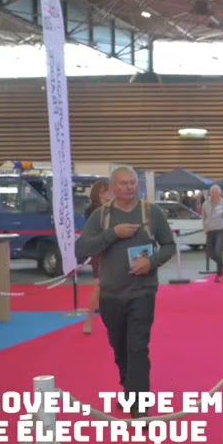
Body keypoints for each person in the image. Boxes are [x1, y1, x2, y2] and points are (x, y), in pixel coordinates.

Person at [74, 166, 176, 417]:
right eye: (124, 183)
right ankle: (129, 389)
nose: (130, 187)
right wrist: (113, 234)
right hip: (111, 293)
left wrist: (150, 262)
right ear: (112, 188)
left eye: (133, 182)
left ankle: (140, 409)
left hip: (143, 292)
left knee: (138, 346)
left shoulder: (152, 213)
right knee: (119, 347)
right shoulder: (101, 216)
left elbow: (168, 246)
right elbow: (81, 249)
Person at [82, 179, 113, 333]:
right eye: (103, 192)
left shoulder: (117, 207)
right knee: (99, 286)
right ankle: (88, 320)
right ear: (97, 194)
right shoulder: (91, 211)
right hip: (99, 251)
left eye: (109, 191)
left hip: (116, 250)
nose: (107, 195)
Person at [201, 184, 223, 281]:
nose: (214, 194)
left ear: (219, 193)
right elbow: (203, 218)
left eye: (215, 192)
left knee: (217, 251)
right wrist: (205, 227)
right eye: (212, 192)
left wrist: (222, 224)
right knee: (210, 253)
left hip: (221, 231)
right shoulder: (205, 204)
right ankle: (222, 264)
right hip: (210, 231)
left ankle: (219, 274)